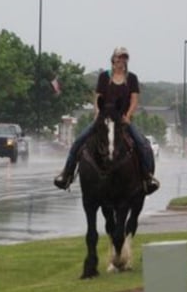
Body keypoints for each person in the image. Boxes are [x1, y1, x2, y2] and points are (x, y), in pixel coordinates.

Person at [53, 46, 160, 195]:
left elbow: (134, 100)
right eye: (119, 57)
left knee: (143, 145)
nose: (121, 60)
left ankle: (148, 178)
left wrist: (128, 116)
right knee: (79, 142)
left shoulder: (132, 78)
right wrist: (97, 113)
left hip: (122, 120)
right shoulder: (104, 77)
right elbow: (97, 98)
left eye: (124, 58)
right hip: (103, 119)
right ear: (113, 59)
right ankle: (67, 175)